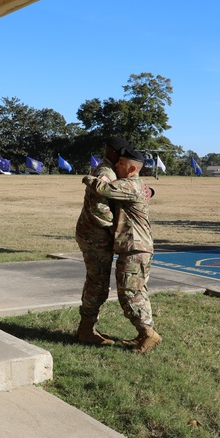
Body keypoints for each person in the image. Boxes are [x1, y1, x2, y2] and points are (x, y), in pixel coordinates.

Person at [82, 147, 161, 354]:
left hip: (136, 247)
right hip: (134, 247)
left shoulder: (129, 185)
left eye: (121, 163)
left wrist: (88, 178)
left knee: (130, 292)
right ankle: (144, 333)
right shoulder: (133, 184)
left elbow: (102, 188)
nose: (116, 165)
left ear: (133, 168)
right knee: (135, 290)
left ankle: (149, 333)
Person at [75, 137, 130, 345]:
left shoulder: (108, 170)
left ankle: (87, 327)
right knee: (97, 284)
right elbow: (99, 208)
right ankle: (86, 330)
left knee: (96, 282)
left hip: (93, 234)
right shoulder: (106, 173)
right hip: (95, 236)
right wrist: (111, 231)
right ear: (115, 153)